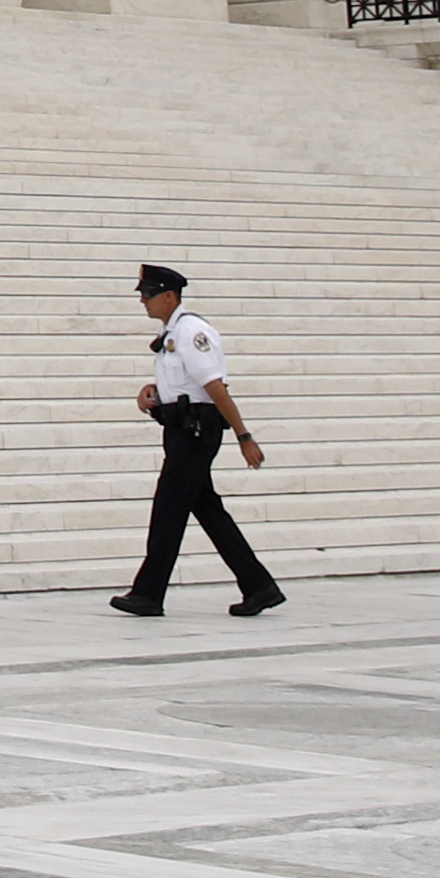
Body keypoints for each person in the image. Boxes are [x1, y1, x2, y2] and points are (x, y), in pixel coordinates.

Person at [114, 263, 281, 618]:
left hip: (195, 434)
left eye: (148, 294)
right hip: (181, 431)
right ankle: (259, 587)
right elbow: (186, 386)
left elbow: (215, 388)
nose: (143, 301)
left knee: (168, 512)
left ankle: (148, 593)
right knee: (208, 511)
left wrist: (244, 436)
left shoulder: (191, 332)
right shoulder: (172, 333)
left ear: (169, 296)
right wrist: (154, 392)